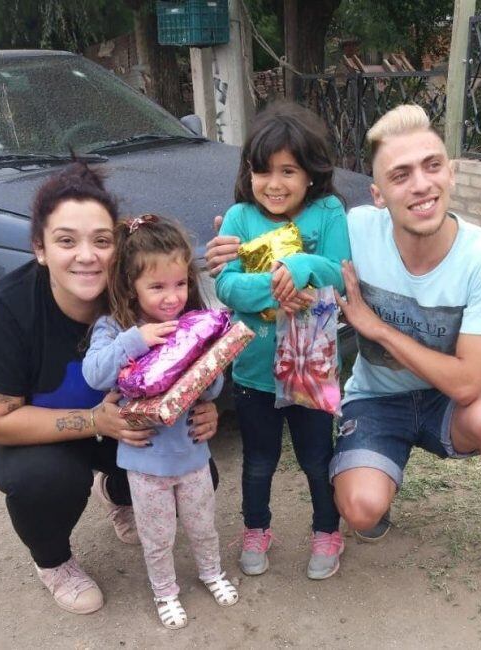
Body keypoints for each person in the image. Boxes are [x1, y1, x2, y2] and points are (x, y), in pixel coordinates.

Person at [205, 104, 481, 606]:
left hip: (448, 400)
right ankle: (376, 480)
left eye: (432, 166)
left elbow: (467, 383)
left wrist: (375, 327)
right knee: (359, 510)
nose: (420, 185)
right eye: (400, 175)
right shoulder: (356, 227)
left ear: (451, 173)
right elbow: (280, 239)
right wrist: (238, 244)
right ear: (377, 195)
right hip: (375, 399)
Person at [0, 164, 219, 615]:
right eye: (66, 241)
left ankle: (118, 493)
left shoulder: (143, 292)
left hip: (127, 426)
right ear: (40, 248)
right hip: (39, 434)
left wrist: (203, 405)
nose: (87, 256)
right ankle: (54, 561)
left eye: (101, 241)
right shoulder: (6, 306)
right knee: (45, 480)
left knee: (197, 473)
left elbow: (198, 357)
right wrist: (95, 422)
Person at [214, 101, 351, 580]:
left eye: (288, 171)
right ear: (248, 172)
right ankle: (256, 528)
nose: (274, 184)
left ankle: (327, 530)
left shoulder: (328, 212)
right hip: (254, 371)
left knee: (317, 458)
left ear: (311, 173)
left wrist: (302, 266)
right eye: (263, 170)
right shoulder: (239, 217)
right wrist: (279, 288)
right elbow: (227, 285)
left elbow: (340, 274)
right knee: (258, 461)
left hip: (312, 369)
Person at [82, 214, 238, 629]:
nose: (172, 297)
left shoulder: (195, 322)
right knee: (157, 537)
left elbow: (211, 390)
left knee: (203, 526)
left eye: (180, 283)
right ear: (130, 284)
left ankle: (211, 572)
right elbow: (94, 374)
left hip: (192, 455)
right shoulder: (115, 327)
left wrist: (207, 365)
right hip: (146, 462)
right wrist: (137, 340)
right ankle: (165, 593)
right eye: (157, 287)